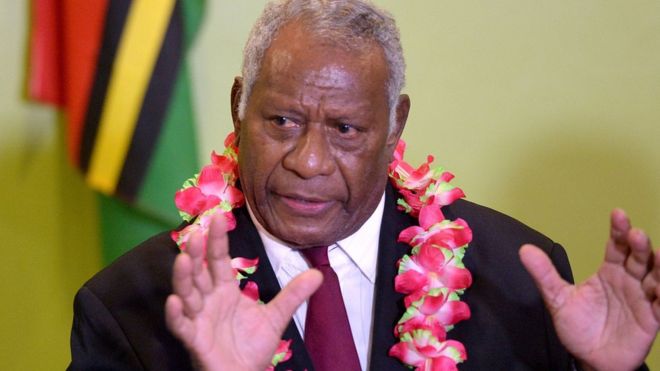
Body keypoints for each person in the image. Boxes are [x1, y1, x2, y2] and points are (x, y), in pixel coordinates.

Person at [69, 1, 659, 370]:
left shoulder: (517, 282)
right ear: (237, 108)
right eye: (282, 121)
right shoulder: (130, 307)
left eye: (345, 128)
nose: (309, 161)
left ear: (395, 125)